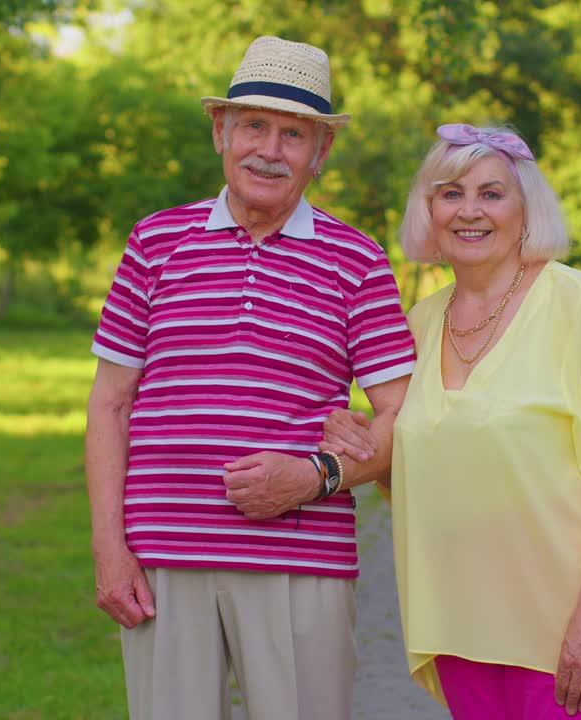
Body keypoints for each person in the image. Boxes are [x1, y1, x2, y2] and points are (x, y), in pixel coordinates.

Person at [84, 36, 416, 720]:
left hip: (303, 562)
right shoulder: (154, 243)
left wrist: (313, 476)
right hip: (162, 559)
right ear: (220, 132)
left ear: (320, 152)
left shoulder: (357, 260)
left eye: (293, 134)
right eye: (253, 126)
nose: (269, 149)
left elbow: (406, 422)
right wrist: (108, 550)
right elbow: (110, 404)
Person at [321, 124, 581, 719]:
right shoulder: (420, 323)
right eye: (450, 193)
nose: (469, 211)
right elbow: (410, 464)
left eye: (491, 193)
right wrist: (358, 436)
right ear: (428, 210)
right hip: (460, 621)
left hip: (562, 627)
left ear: (526, 208)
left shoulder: (578, 305)